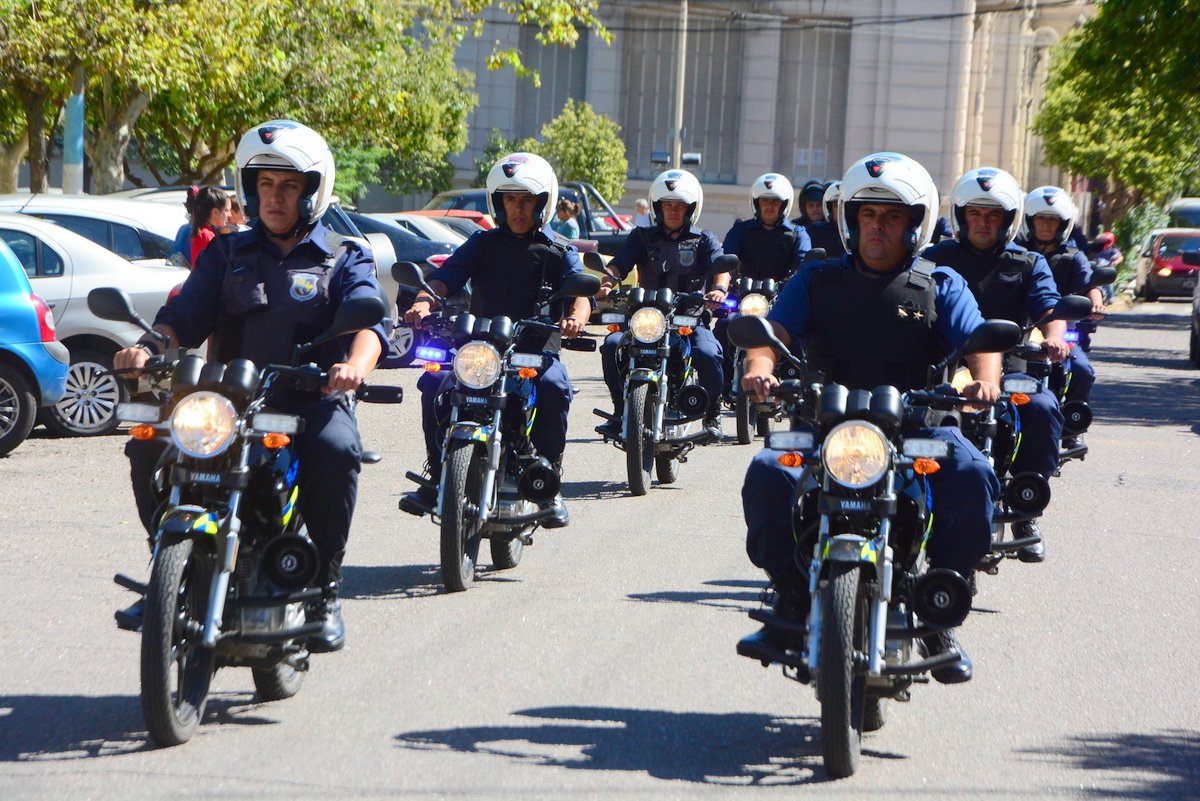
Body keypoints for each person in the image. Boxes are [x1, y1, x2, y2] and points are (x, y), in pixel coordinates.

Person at [113, 120, 387, 653]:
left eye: (287, 186)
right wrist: (148, 347)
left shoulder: (344, 253)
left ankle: (326, 590)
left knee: (337, 453)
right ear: (249, 188)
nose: (274, 197)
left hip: (310, 399)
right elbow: (183, 317)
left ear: (311, 190)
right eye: (265, 185)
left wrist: (354, 367)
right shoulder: (226, 253)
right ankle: (167, 570)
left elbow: (368, 328)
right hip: (227, 403)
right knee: (148, 446)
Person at [738, 152, 1001, 684]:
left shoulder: (939, 283)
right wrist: (758, 369)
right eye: (867, 216)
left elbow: (977, 342)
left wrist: (984, 380)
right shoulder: (815, 279)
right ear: (851, 222)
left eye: (892, 217)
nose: (877, 226)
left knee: (973, 475)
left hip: (917, 428)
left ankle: (938, 607)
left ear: (914, 224)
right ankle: (790, 599)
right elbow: (773, 338)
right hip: (822, 423)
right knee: (769, 472)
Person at [400, 152, 590, 527]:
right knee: (434, 381)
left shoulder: (559, 251)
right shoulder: (482, 244)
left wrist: (575, 319)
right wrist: (424, 301)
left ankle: (547, 482)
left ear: (542, 204)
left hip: (533, 351)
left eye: (526, 201)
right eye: (509, 200)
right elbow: (444, 278)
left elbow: (580, 294)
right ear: (498, 203)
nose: (517, 209)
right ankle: (440, 473)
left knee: (553, 386)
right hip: (481, 347)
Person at [923, 167, 1065, 563]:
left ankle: (1024, 507)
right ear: (962, 217)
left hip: (1013, 366)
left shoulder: (1027, 262)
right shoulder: (936, 259)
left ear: (1007, 220)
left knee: (1040, 406)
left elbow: (1049, 306)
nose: (983, 222)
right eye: (975, 214)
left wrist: (1054, 335)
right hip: (949, 367)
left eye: (993, 215)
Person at [596, 168, 730, 440]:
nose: (672, 211)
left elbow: (721, 266)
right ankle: (621, 409)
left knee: (708, 353)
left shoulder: (703, 239)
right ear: (657, 207)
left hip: (688, 319)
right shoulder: (642, 237)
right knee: (611, 346)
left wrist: (719, 289)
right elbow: (619, 265)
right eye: (667, 205)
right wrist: (608, 283)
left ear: (690, 209)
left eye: (679, 206)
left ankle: (712, 412)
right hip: (646, 318)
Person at [1016, 186, 1106, 452]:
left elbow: (1090, 284)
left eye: (1052, 219)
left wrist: (1096, 303)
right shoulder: (1017, 255)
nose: (1046, 224)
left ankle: (1072, 430)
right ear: (1030, 221)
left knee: (1081, 370)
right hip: (1022, 330)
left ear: (1062, 224)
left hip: (1061, 331)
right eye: (1041, 218)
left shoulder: (1073, 257)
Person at [716, 173, 811, 394]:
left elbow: (804, 264)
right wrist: (722, 286)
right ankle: (725, 383)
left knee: (797, 336)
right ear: (756, 203)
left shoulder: (797, 234)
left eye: (774, 201)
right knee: (723, 326)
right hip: (745, 298)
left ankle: (793, 385)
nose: (769, 206)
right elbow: (728, 260)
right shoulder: (741, 230)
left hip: (781, 299)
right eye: (765, 201)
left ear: (783, 205)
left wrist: (793, 283)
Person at [801, 180, 846, 258]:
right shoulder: (813, 231)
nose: (840, 209)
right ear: (830, 209)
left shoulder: (859, 231)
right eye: (836, 205)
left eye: (844, 205)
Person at [189, 186, 231, 266]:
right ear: (215, 212)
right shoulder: (205, 235)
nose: (230, 214)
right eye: (227, 210)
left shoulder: (208, 232)